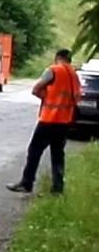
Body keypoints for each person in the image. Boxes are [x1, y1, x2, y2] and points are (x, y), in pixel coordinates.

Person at [8, 49, 82, 194]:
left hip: (49, 119)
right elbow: (77, 96)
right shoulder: (74, 75)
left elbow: (36, 89)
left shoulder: (53, 70)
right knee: (58, 155)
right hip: (64, 121)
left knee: (34, 151)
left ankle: (26, 183)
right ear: (69, 59)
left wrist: (47, 98)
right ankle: (57, 188)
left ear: (57, 58)